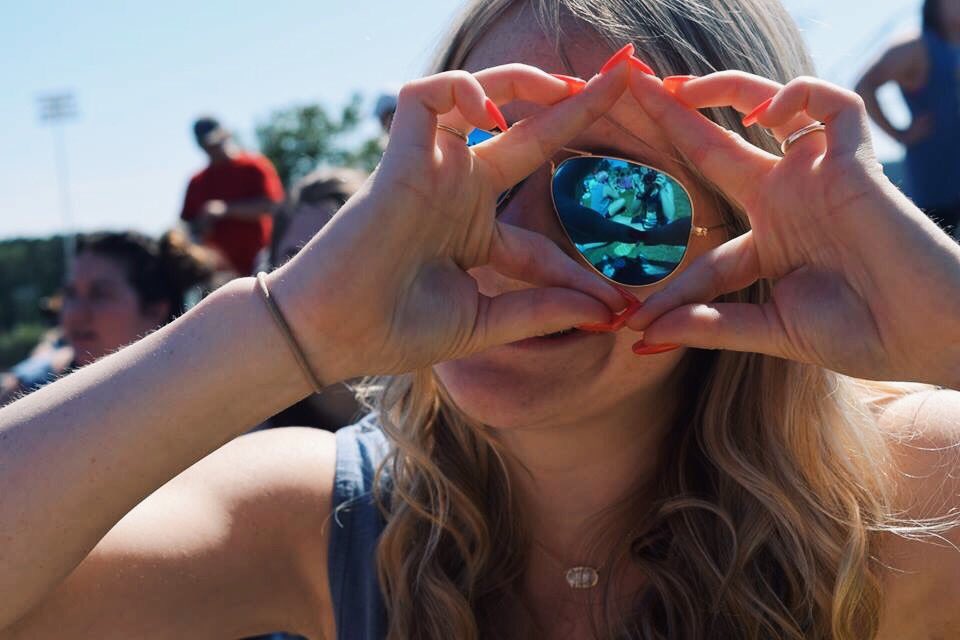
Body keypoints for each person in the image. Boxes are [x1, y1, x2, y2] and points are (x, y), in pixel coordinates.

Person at [1, 2, 960, 640]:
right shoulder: (328, 518)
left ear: (754, 234)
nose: (509, 243)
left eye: (615, 198)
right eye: (479, 163)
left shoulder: (906, 499)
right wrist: (289, 324)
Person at [0, 230, 215, 405]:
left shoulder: (205, 397)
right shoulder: (23, 394)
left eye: (99, 295)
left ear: (154, 310)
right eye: (70, 293)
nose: (75, 313)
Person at [263, 167, 368, 431]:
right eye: (293, 259)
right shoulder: (244, 422)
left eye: (337, 252)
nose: (312, 278)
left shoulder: (445, 394)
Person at [855, 0, 960, 237]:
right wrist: (900, 134)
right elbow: (864, 86)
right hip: (934, 182)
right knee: (936, 262)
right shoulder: (916, 47)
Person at [181, 116, 285, 275]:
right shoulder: (197, 181)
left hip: (261, 264)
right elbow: (187, 225)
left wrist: (225, 210)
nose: (213, 148)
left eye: (216, 142)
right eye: (207, 145)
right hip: (219, 272)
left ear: (226, 135)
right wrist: (202, 225)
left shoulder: (254, 166)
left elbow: (271, 205)